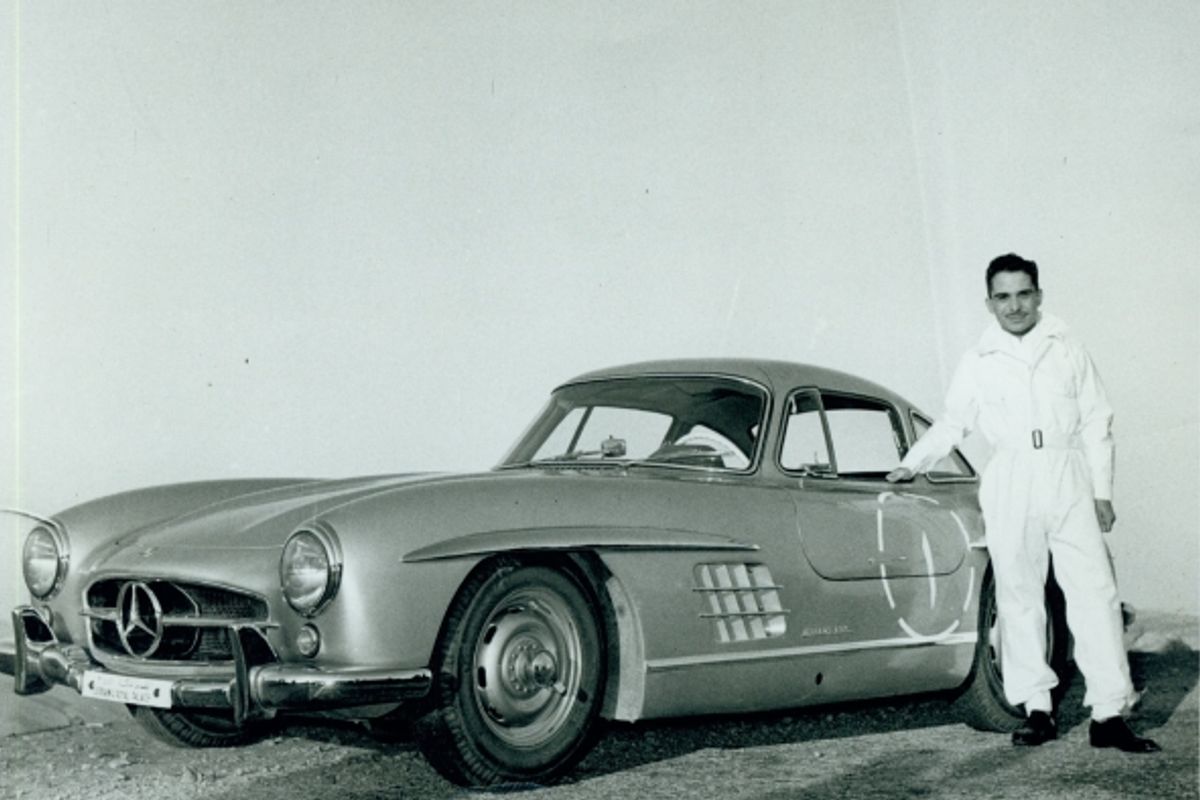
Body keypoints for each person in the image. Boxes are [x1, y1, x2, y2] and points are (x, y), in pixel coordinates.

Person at [887, 253, 1159, 753]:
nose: (1014, 306)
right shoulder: (979, 359)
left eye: (1023, 294)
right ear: (989, 303)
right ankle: (1037, 709)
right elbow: (953, 422)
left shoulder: (1067, 346)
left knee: (1094, 591)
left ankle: (1108, 714)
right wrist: (914, 462)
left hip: (1067, 473)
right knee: (1018, 593)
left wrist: (1102, 491)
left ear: (1038, 295)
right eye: (1003, 297)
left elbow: (1097, 419)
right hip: (1010, 476)